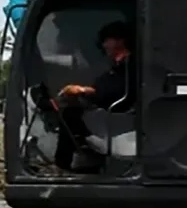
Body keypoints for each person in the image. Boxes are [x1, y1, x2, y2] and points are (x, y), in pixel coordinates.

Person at [53, 20, 135, 170]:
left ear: (120, 40)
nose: (104, 45)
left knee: (70, 115)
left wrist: (83, 91)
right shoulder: (117, 66)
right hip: (110, 113)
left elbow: (115, 91)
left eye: (107, 40)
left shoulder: (130, 65)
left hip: (119, 118)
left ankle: (62, 165)